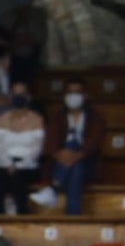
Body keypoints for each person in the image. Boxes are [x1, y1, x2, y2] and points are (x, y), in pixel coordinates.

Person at [31, 76, 107, 215]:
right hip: (62, 163)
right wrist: (63, 156)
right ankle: (73, 215)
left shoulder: (96, 118)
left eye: (77, 92)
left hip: (87, 163)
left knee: (74, 147)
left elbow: (94, 143)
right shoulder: (58, 117)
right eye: (70, 92)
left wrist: (76, 155)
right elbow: (51, 144)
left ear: (85, 95)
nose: (73, 96)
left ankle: (53, 188)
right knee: (76, 169)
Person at [0, 80, 45, 215]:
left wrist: (18, 165)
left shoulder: (37, 119)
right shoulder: (2, 119)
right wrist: (9, 164)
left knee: (18, 179)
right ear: (10, 97)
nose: (18, 97)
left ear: (28, 96)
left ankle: (22, 217)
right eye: (15, 94)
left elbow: (36, 150)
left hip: (29, 165)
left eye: (22, 94)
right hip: (5, 164)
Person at [0, 0, 48, 84]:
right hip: (13, 60)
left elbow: (41, 37)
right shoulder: (7, 15)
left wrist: (28, 39)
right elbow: (2, 37)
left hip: (33, 59)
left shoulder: (39, 15)